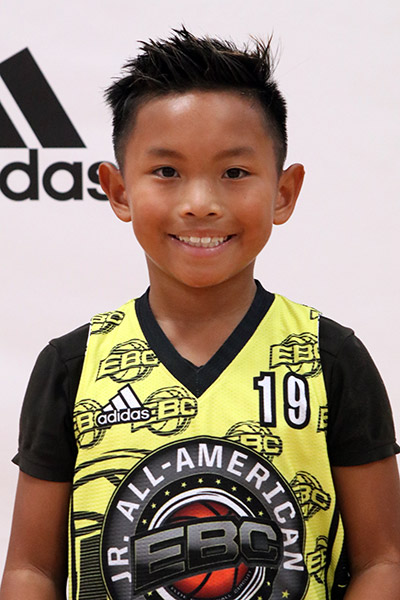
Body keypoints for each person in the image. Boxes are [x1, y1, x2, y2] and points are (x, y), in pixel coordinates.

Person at [1, 28, 400, 600]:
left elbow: (383, 561)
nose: (200, 203)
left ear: (284, 192)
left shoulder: (329, 358)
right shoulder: (74, 364)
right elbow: (31, 570)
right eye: (167, 172)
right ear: (118, 190)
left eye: (234, 173)